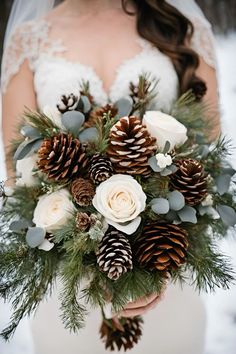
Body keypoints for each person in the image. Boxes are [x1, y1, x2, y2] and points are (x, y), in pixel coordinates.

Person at [1, 1, 220, 353]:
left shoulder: (181, 29)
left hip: (170, 277)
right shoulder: (28, 40)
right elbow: (20, 174)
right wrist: (86, 260)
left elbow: (209, 161)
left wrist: (156, 264)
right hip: (70, 291)